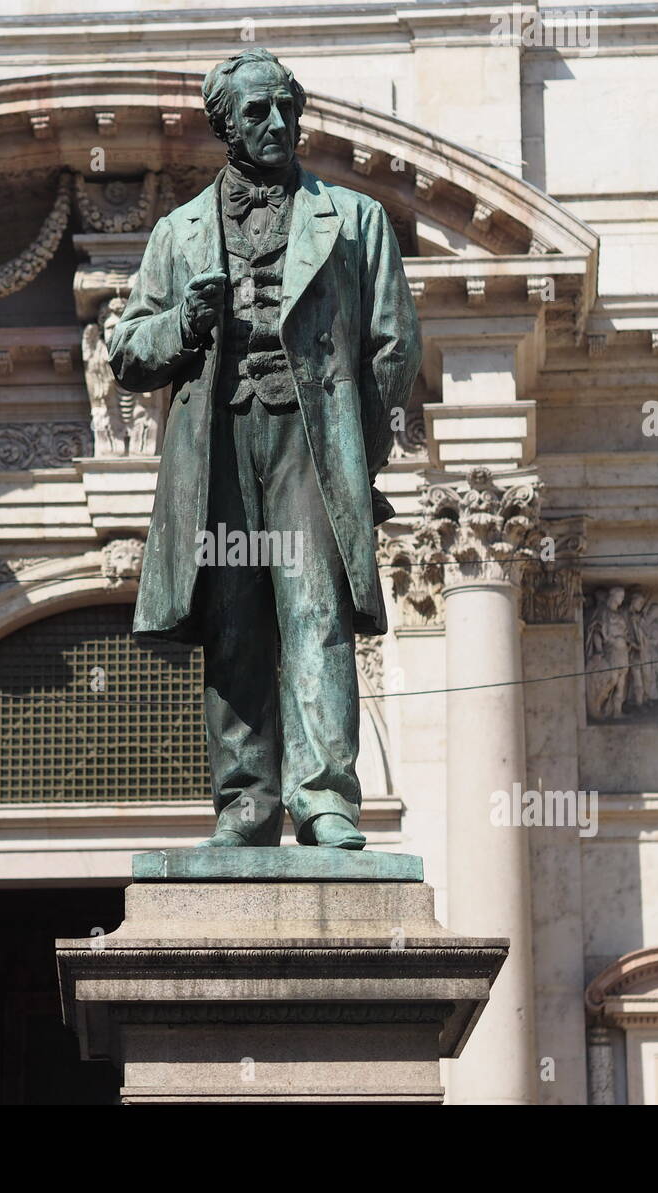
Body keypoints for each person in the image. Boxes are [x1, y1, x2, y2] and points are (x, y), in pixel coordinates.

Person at [109, 49, 421, 848]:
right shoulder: (178, 233)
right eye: (257, 112)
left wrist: (360, 457)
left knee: (315, 612)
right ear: (226, 125)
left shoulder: (354, 220)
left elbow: (392, 350)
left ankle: (323, 796)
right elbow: (129, 350)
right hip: (219, 441)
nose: (277, 123)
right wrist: (186, 322)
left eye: (287, 107)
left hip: (312, 441)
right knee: (237, 619)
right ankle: (245, 801)